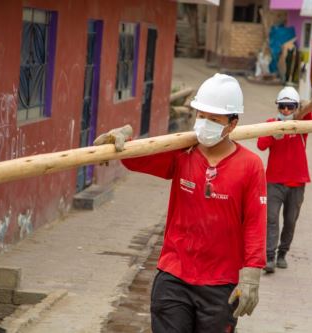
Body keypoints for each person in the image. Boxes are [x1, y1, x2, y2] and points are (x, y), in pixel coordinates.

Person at [94, 73, 267, 333]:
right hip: (174, 275)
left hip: (221, 284)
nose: (205, 123)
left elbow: (254, 222)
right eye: (201, 116)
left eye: (214, 119)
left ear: (232, 124)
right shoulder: (182, 153)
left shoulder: (250, 166)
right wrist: (121, 141)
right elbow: (137, 159)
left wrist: (252, 273)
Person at [256, 86, 312, 274]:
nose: (286, 111)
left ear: (295, 107)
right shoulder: (271, 123)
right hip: (274, 181)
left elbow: (310, 115)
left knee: (290, 221)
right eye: (282, 107)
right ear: (278, 107)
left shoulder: (302, 123)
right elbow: (261, 145)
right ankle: (270, 257)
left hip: (297, 182)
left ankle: (282, 254)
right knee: (271, 220)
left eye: (290, 107)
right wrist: (273, 133)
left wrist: (304, 107)